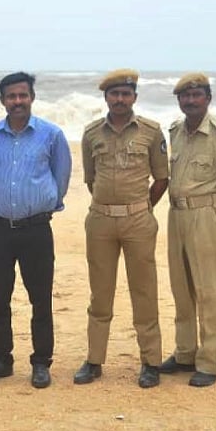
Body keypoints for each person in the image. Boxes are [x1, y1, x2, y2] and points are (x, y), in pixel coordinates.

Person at [0, 72, 72, 389]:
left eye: (23, 95)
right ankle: (2, 359)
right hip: (0, 229)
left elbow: (61, 178)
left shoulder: (51, 135)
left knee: (40, 299)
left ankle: (41, 362)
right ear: (2, 100)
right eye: (11, 96)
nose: (17, 101)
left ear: (32, 97)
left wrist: (43, 205)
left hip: (36, 231)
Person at [75, 69, 169, 389]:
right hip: (100, 220)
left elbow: (162, 179)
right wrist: (110, 208)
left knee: (144, 291)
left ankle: (151, 362)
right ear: (105, 98)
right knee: (100, 293)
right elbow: (91, 179)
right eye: (114, 94)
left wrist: (140, 208)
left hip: (138, 221)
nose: (119, 99)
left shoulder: (152, 132)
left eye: (125, 94)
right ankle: (94, 360)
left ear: (135, 98)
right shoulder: (91, 134)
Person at [159, 73, 216, 387]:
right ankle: (185, 353)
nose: (190, 101)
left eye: (196, 95)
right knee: (181, 289)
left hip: (207, 214)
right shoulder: (175, 132)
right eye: (185, 96)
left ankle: (208, 363)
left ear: (208, 99)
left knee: (208, 291)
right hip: (177, 214)